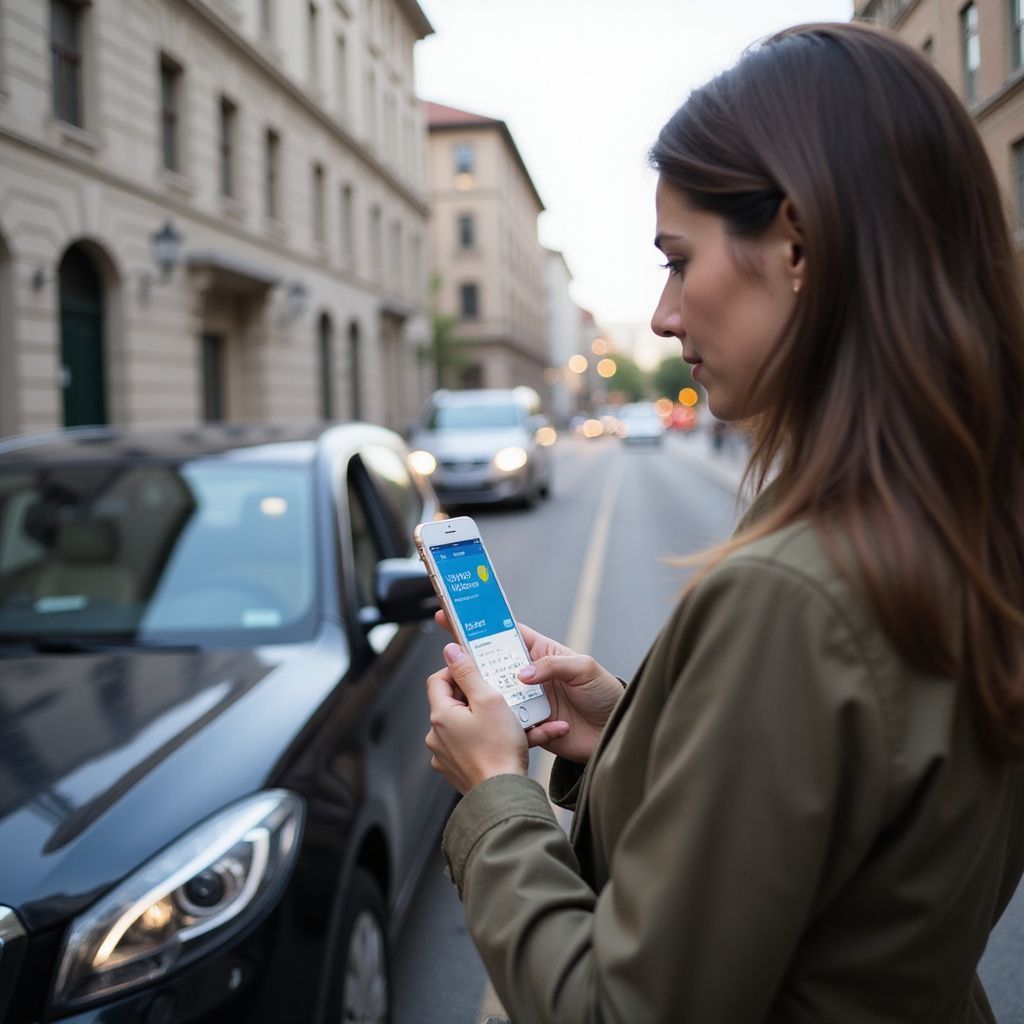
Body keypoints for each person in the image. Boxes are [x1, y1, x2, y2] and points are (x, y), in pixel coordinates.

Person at [425, 21, 1024, 1023]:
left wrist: (494, 789)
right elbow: (853, 849)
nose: (662, 315)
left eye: (677, 258)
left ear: (795, 244)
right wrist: (624, 729)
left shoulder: (793, 595)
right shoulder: (971, 525)